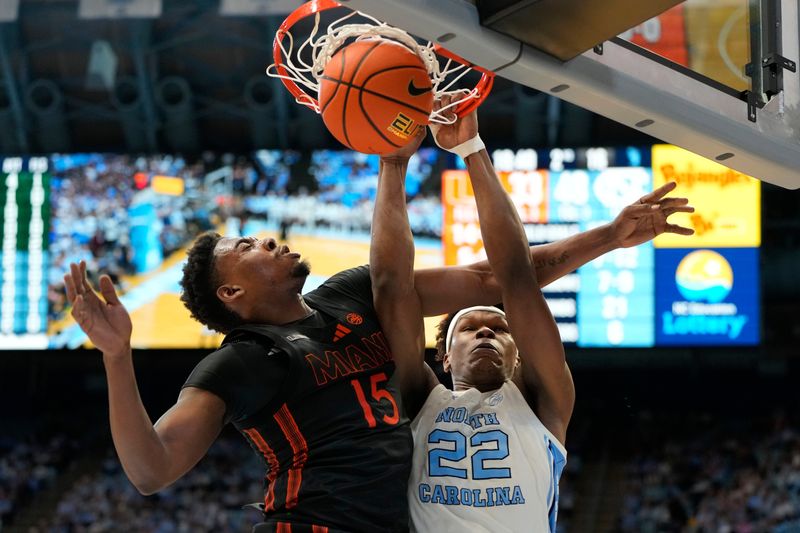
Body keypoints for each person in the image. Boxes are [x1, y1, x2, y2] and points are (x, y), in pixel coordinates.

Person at [64, 142, 693, 532]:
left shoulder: (346, 297)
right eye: (247, 246)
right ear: (232, 294)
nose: (267, 238)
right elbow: (151, 470)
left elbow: (497, 278)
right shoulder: (240, 363)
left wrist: (609, 238)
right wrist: (118, 358)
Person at [369, 97, 694, 532]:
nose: (486, 331)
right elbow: (392, 289)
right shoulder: (421, 398)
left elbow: (517, 276)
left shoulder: (543, 402)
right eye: (468, 328)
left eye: (500, 329)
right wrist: (392, 164)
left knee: (517, 285)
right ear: (443, 359)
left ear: (518, 357)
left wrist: (472, 149)